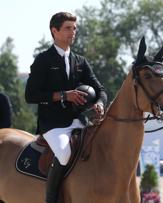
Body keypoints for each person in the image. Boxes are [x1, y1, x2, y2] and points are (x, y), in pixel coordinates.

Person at [25, 12, 107, 203]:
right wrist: (63, 95)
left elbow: (100, 89)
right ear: (55, 31)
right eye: (68, 28)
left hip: (80, 121)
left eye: (75, 28)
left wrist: (100, 104)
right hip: (53, 124)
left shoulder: (80, 61)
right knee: (64, 153)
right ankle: (52, 198)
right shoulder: (43, 60)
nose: (73, 32)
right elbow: (30, 95)